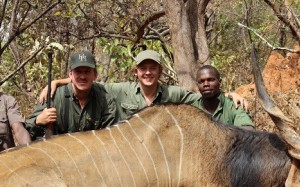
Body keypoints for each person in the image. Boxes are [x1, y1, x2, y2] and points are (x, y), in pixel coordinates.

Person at [38, 49, 248, 122]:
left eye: (153, 68)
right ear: (135, 72)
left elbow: (202, 96)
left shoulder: (172, 93)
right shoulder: (122, 90)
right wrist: (57, 81)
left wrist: (228, 93)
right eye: (143, 68)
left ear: (159, 72)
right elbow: (89, 81)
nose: (148, 72)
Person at [26, 50, 118, 140]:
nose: (83, 77)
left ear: (95, 75)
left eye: (87, 72)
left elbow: (111, 137)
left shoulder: (105, 100)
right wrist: (37, 121)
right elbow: (27, 130)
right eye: (78, 72)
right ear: (70, 74)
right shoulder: (53, 96)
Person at [196, 65, 254, 129]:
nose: (206, 84)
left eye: (210, 80)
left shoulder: (234, 105)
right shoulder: (192, 104)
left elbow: (248, 130)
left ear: (219, 82)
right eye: (201, 81)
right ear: (197, 85)